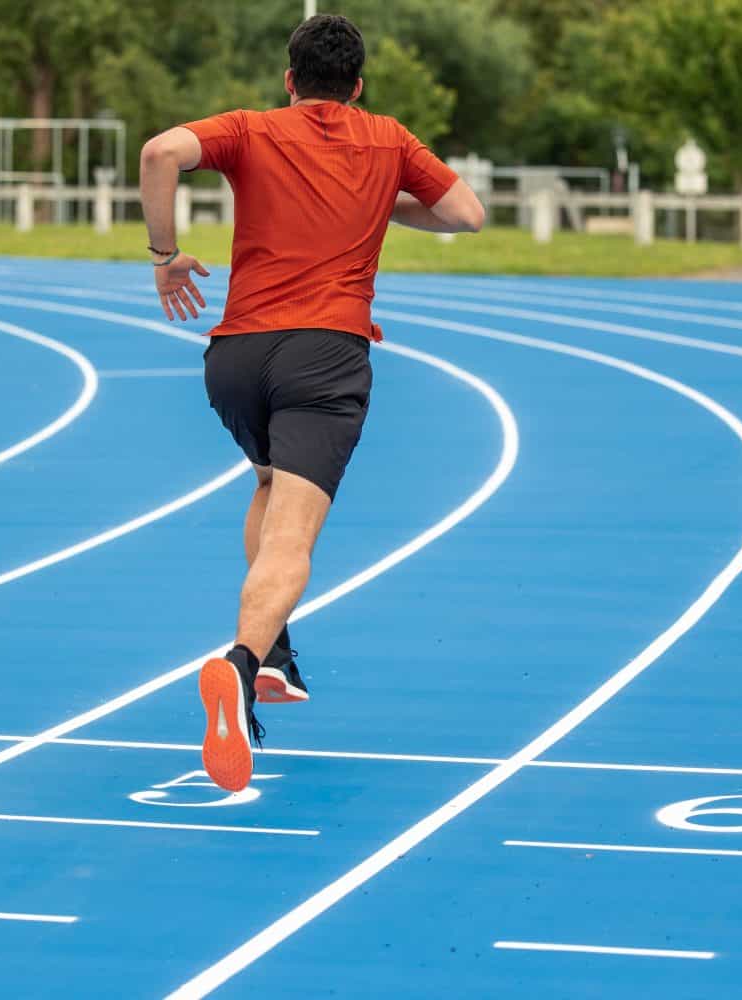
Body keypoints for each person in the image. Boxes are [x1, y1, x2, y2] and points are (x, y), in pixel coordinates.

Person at [138, 13, 485, 792]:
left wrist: (164, 258)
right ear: (357, 85)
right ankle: (240, 661)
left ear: (290, 80)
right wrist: (386, 201)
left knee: (267, 480)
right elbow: (466, 214)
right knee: (295, 534)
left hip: (237, 356)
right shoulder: (388, 138)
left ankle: (276, 654)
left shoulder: (252, 128)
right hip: (325, 354)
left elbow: (161, 152)